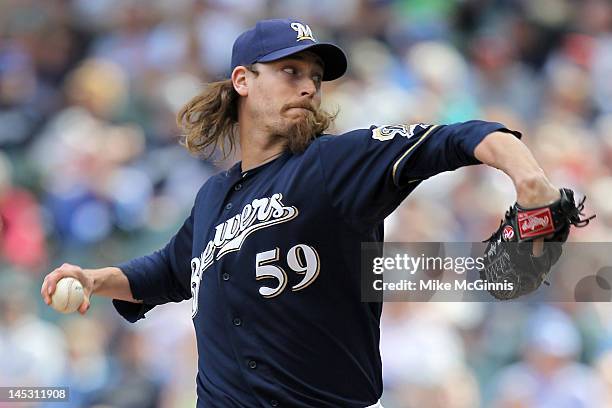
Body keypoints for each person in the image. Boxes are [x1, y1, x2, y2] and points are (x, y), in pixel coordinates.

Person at [41, 18, 561, 407]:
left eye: (314, 76)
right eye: (290, 71)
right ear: (243, 80)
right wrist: (93, 277)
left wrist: (529, 178)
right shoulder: (212, 198)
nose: (309, 86)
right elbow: (171, 270)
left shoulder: (334, 165)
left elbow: (455, 138)